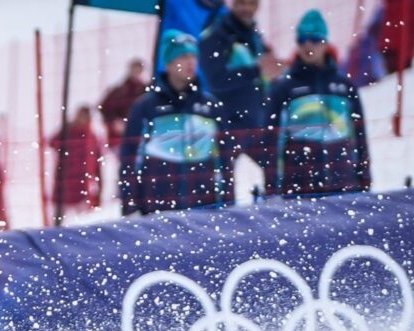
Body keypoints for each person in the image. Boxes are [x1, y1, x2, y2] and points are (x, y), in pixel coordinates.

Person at [119, 30, 232, 216]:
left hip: (205, 210)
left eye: (193, 56)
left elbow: (226, 158)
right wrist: (130, 207)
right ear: (168, 63)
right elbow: (129, 160)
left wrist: (228, 203)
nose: (190, 62)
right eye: (183, 56)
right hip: (157, 210)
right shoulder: (145, 107)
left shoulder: (211, 106)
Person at [265, 10, 372, 198]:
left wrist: (364, 178)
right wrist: (272, 187)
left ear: (324, 42)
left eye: (314, 39)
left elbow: (360, 135)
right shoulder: (283, 88)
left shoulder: (344, 86)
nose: (308, 45)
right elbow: (270, 142)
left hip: (343, 183)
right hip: (299, 187)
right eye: (302, 40)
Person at [199, 0, 282, 193]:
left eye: (251, 3)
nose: (246, 8)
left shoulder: (255, 36)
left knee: (278, 176)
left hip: (258, 122)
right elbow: (214, 80)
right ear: (232, 4)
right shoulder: (216, 34)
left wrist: (277, 73)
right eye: (241, 3)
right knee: (221, 186)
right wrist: (257, 70)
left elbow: (263, 77)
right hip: (228, 124)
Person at [50, 106, 103, 220]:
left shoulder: (92, 137)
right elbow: (52, 143)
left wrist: (98, 190)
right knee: (58, 221)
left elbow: (98, 164)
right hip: (64, 184)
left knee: (81, 222)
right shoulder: (67, 132)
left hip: (82, 187)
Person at [98, 58, 147, 153]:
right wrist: (114, 122)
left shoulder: (146, 92)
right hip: (120, 139)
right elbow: (104, 107)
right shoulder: (119, 91)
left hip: (140, 137)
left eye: (138, 70)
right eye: (134, 69)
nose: (136, 72)